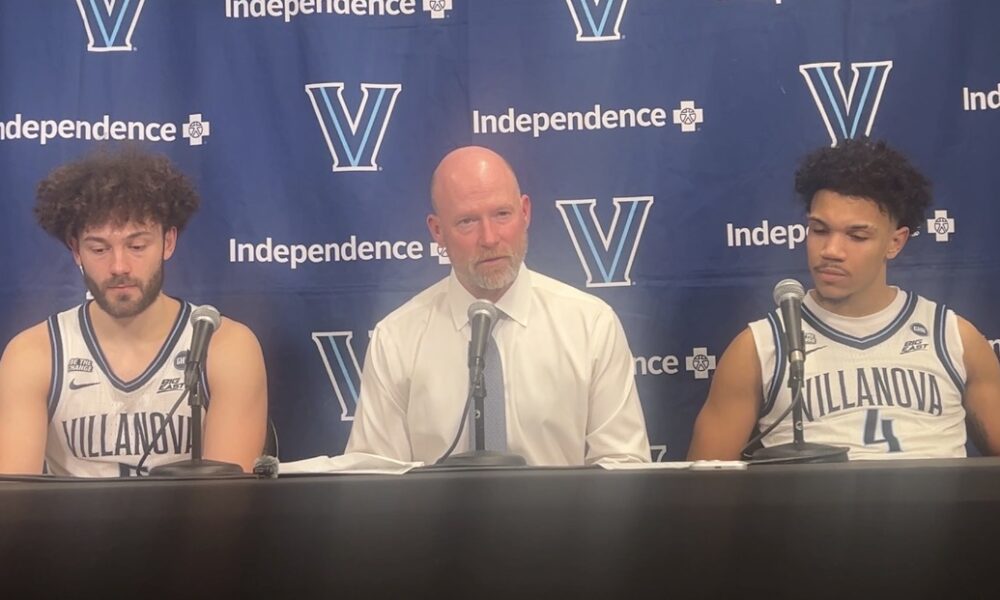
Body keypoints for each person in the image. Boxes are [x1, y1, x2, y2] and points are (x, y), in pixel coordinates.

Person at [688, 138, 1000, 460]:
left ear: (895, 242)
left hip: (939, 510)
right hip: (812, 511)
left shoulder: (953, 338)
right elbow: (703, 493)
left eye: (857, 236)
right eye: (819, 230)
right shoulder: (760, 347)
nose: (831, 251)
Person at [346, 146, 649, 465]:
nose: (489, 238)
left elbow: (623, 465)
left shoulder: (591, 325)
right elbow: (373, 480)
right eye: (467, 221)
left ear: (525, 212)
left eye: (502, 214)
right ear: (437, 231)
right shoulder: (396, 339)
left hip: (563, 516)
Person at [0, 147, 268, 476]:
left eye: (137, 246)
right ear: (76, 250)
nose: (119, 266)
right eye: (98, 248)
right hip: (69, 529)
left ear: (168, 242)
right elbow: (15, 505)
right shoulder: (34, 353)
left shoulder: (225, 346)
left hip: (189, 529)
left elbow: (225, 506)